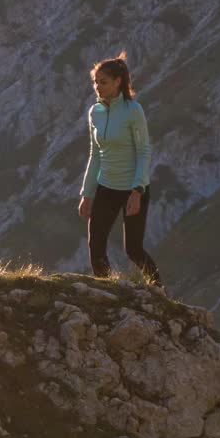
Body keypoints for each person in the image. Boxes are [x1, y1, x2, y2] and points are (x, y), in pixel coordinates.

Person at [77, 52, 163, 287]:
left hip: (132, 189)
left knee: (133, 250)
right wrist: (87, 194)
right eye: (95, 82)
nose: (97, 87)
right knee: (95, 245)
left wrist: (137, 190)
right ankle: (106, 292)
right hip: (106, 186)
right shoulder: (95, 112)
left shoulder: (133, 110)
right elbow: (95, 154)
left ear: (117, 82)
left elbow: (143, 151)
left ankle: (159, 291)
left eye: (103, 82)